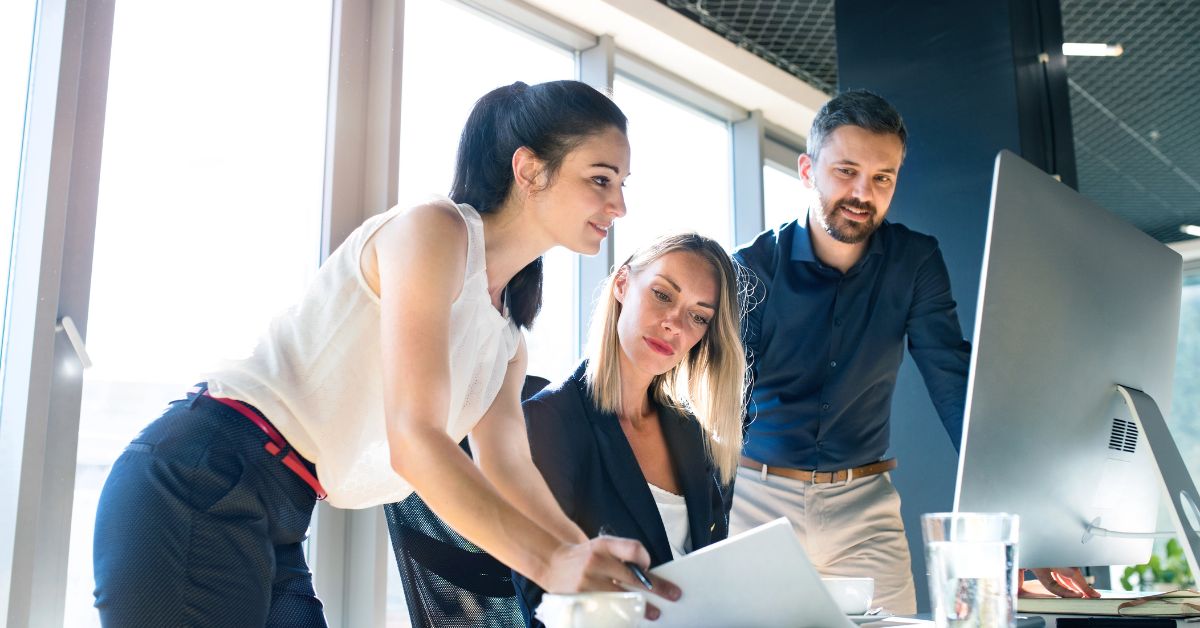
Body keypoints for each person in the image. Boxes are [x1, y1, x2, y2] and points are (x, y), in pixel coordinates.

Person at [91, 80, 679, 627]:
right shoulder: (435, 230)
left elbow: (509, 470)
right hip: (204, 474)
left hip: (283, 507)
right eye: (601, 179)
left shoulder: (506, 335)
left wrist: (585, 559)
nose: (619, 205)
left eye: (623, 185)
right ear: (529, 170)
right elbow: (415, 439)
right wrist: (550, 565)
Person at [729, 89, 1098, 614]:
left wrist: (1028, 522)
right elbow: (726, 404)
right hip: (756, 500)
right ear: (808, 170)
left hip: (864, 505)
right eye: (846, 171)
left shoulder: (916, 261)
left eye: (883, 178)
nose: (863, 192)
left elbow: (954, 386)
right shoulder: (750, 267)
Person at [514, 233, 747, 626]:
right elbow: (542, 599)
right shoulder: (548, 422)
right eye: (662, 294)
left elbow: (709, 575)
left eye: (698, 316)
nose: (674, 324)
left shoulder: (692, 435)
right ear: (622, 284)